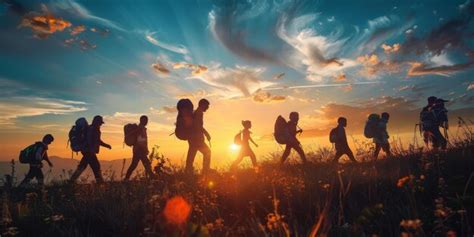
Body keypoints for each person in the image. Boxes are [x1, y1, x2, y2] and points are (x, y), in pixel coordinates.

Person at [70, 115, 111, 183]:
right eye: (100, 122)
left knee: (84, 165)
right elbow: (96, 140)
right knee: (95, 166)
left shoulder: (90, 128)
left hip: (86, 150)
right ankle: (100, 181)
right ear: (97, 122)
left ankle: (72, 180)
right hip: (89, 151)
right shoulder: (94, 129)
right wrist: (92, 149)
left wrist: (106, 145)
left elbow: (96, 141)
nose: (101, 124)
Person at [185, 99, 211, 175]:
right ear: (202, 105)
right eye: (207, 106)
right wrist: (206, 134)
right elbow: (198, 126)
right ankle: (206, 171)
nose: (207, 108)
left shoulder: (195, 112)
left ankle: (187, 173)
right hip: (197, 139)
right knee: (207, 152)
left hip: (192, 139)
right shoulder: (199, 113)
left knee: (190, 157)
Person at [124, 115, 154, 180]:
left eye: (147, 120)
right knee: (146, 164)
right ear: (142, 120)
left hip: (137, 150)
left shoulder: (140, 128)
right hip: (140, 150)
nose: (146, 122)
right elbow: (141, 140)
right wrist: (145, 149)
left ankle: (126, 178)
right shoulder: (140, 128)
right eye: (145, 120)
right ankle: (152, 177)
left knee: (134, 165)